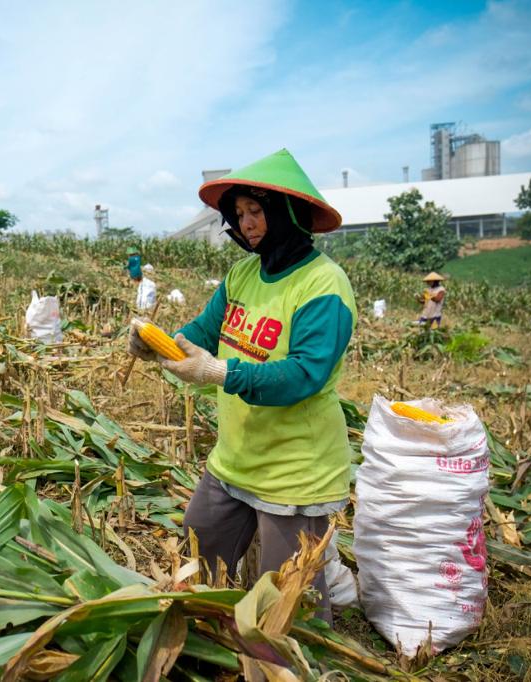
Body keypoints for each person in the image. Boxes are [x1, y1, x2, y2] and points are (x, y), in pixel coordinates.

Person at [127, 148, 356, 624]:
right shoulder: (242, 274)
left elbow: (303, 375)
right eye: (239, 215)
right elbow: (203, 334)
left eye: (256, 211)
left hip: (294, 472)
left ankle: (304, 666)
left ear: (286, 213)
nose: (247, 224)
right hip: (234, 460)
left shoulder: (323, 286)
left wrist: (218, 373)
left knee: (287, 603)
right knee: (197, 555)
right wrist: (161, 345)